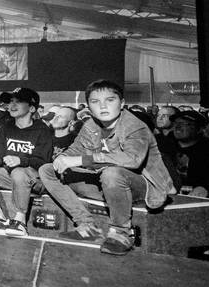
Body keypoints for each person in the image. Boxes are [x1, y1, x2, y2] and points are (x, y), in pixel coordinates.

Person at [38, 79, 176, 256]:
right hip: (107, 185)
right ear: (89, 107)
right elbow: (76, 148)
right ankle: (87, 225)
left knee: (112, 173)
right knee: (47, 170)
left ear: (122, 103)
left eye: (110, 100)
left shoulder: (134, 126)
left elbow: (132, 160)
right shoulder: (91, 124)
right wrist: (63, 157)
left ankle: (121, 233)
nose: (103, 106)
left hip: (145, 188)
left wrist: (82, 160)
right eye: (95, 102)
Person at [0, 88, 54, 237]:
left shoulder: (43, 130)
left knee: (18, 172)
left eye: (19, 101)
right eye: (11, 101)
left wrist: (21, 160)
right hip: (12, 180)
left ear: (32, 108)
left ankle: (20, 221)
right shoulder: (7, 127)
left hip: (36, 181)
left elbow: (44, 163)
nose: (12, 105)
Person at [167, 110, 209, 197]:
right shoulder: (165, 148)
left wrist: (206, 187)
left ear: (199, 129)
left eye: (184, 124)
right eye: (176, 123)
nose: (177, 127)